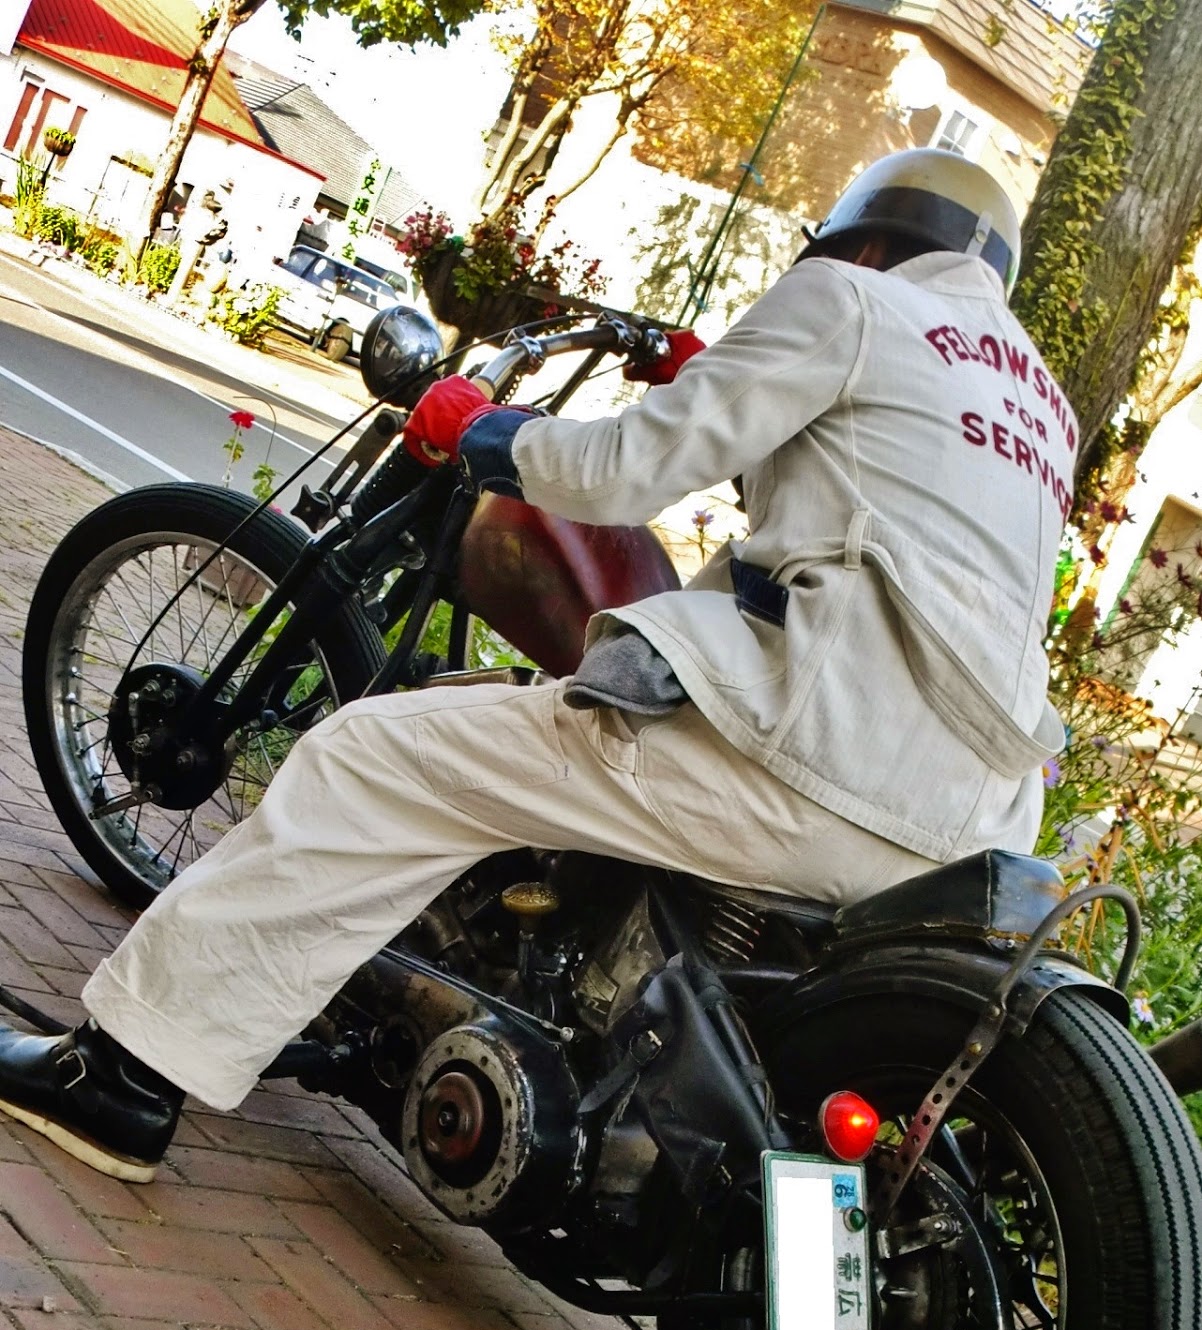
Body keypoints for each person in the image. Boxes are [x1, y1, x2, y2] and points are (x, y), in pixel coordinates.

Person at [0, 150, 1076, 1183]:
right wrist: (709, 379)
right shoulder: (1040, 405)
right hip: (966, 830)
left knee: (371, 761)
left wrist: (486, 432)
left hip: (804, 761)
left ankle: (121, 1078)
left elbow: (624, 472)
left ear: (864, 244)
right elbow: (856, 491)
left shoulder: (849, 301)